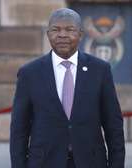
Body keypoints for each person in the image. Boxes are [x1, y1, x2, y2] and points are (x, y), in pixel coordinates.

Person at [10, 8, 125, 168]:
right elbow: (19, 130)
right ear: (48, 34)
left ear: (81, 34)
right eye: (56, 29)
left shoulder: (100, 70)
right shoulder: (29, 73)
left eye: (70, 29)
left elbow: (113, 125)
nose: (62, 35)